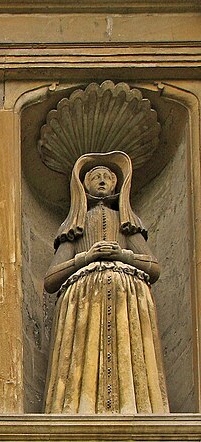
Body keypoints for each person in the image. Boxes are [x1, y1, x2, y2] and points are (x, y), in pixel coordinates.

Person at [44, 151, 169, 414]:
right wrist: (86, 258)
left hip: (127, 296)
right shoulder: (75, 226)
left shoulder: (126, 223)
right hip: (84, 298)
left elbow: (154, 267)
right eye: (95, 176)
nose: (101, 180)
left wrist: (123, 255)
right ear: (83, 185)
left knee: (126, 353)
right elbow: (51, 279)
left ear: (118, 184)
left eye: (107, 177)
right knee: (84, 359)